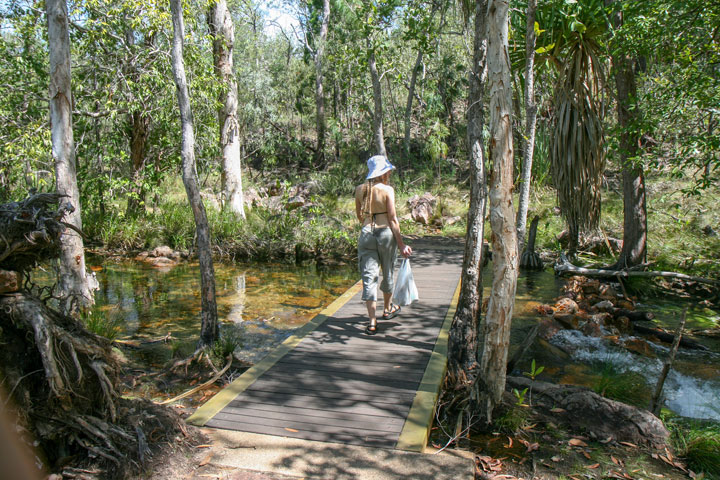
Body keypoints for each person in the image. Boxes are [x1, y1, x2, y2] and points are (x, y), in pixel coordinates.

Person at [354, 155, 412, 335]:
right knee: (387, 272)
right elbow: (393, 219)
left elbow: (359, 217)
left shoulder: (359, 189)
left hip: (366, 234)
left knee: (369, 278)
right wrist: (401, 244)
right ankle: (387, 309)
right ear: (382, 172)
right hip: (385, 233)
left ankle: (372, 322)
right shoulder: (388, 190)